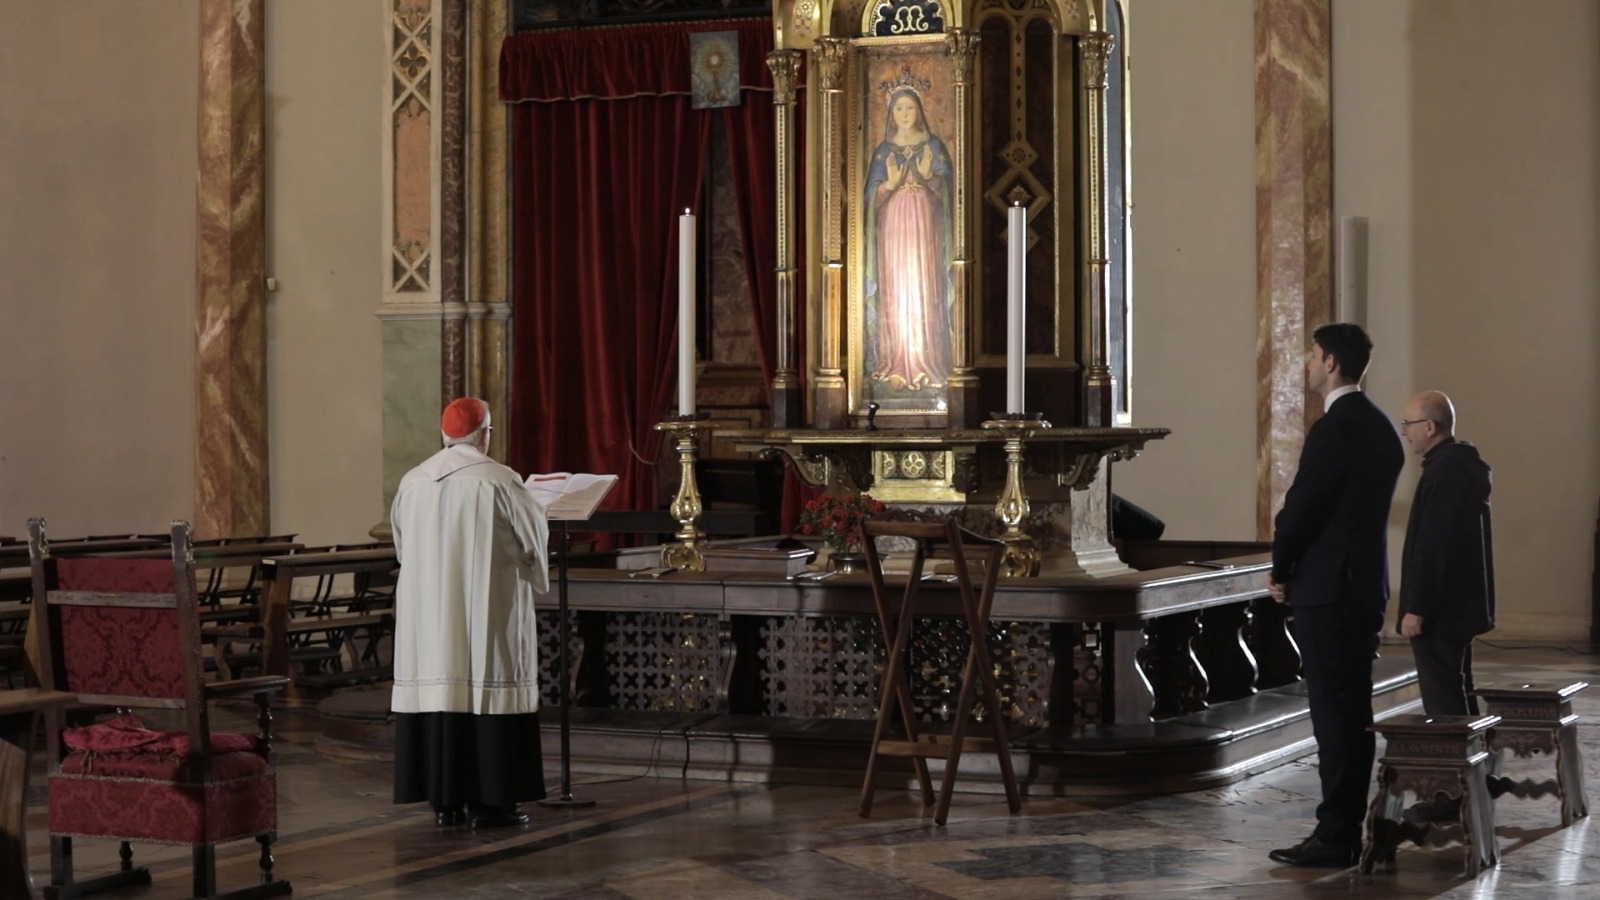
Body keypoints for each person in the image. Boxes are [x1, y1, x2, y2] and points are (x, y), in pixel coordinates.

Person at [1266, 323, 1404, 867]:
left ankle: (1337, 832)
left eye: (1311, 356)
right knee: (1352, 710)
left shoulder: (1336, 427)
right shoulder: (1380, 427)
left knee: (1334, 712)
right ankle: (1350, 823)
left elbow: (1303, 507)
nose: (1305, 365)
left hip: (1330, 588)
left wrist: (1282, 566)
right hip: (1362, 584)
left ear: (1329, 362)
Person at [391, 397, 550, 828]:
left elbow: (402, 547)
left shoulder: (413, 481)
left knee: (440, 692)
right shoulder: (499, 480)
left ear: (445, 436)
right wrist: (537, 574)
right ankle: (493, 801)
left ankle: (444, 800)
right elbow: (533, 541)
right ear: (485, 435)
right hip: (487, 606)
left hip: (429, 615)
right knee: (488, 684)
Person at [1397, 390, 1495, 715]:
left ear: (1429, 426)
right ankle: (1472, 763)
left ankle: (1454, 764)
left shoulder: (1446, 471)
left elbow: (1435, 545)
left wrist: (1417, 607)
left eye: (1407, 424)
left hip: (1440, 611)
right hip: (1455, 606)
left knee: (1444, 699)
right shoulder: (1458, 465)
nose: (1404, 431)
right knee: (1457, 686)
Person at [864, 85, 954, 393]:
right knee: (897, 289)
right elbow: (868, 202)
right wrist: (888, 185)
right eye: (898, 109)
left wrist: (929, 176)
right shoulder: (883, 151)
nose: (904, 114)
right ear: (891, 114)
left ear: (919, 111)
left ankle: (924, 360)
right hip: (892, 227)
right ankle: (896, 361)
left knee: (923, 287)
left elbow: (951, 193)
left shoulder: (933, 145)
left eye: (909, 108)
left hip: (925, 226)